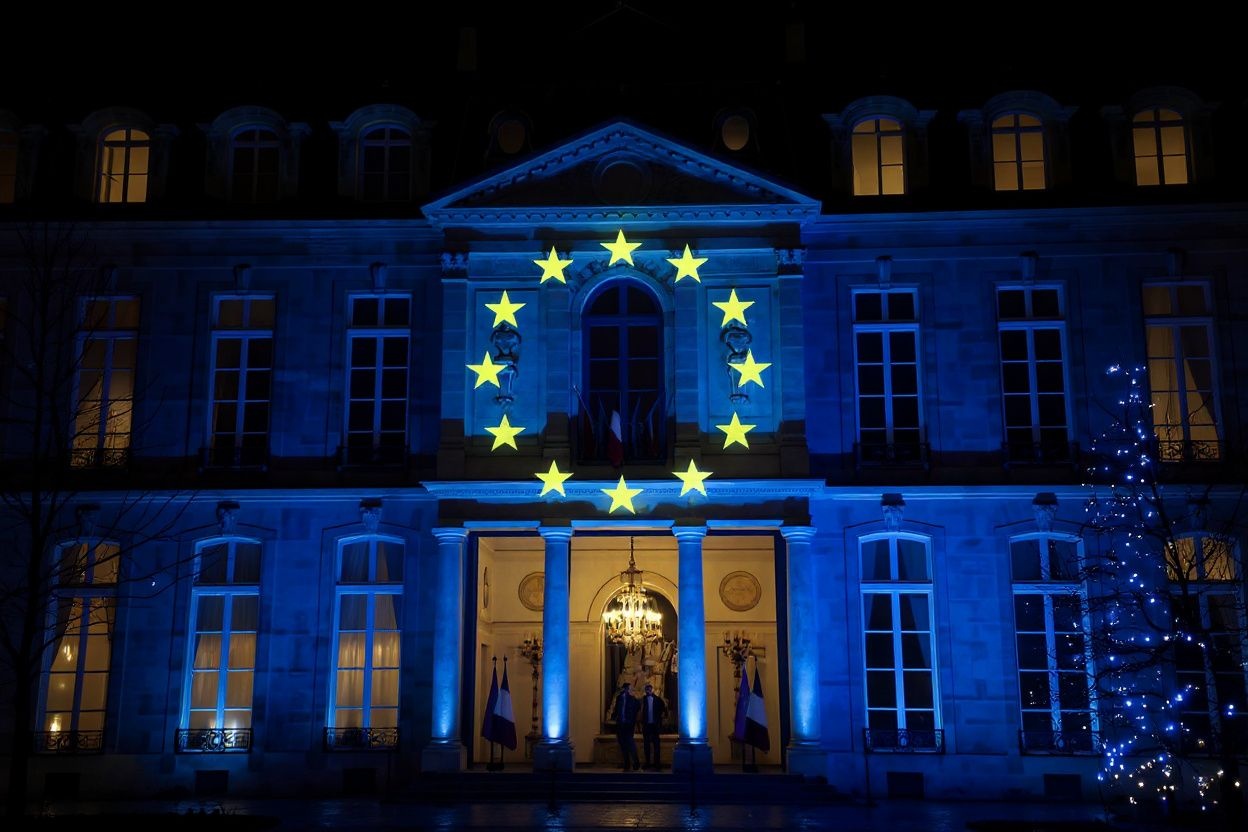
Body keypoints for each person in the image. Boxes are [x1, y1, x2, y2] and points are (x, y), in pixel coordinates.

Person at [610, 681, 641, 771]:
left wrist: (632, 718)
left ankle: (636, 763)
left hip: (628, 724)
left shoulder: (632, 699)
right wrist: (614, 716)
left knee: (630, 744)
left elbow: (637, 706)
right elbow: (616, 709)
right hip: (620, 724)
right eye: (630, 688)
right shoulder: (619, 698)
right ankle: (627, 764)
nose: (631, 690)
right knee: (623, 744)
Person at [639, 683, 668, 770]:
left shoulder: (658, 700)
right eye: (646, 690)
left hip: (655, 726)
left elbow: (664, 709)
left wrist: (661, 719)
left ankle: (657, 763)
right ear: (645, 691)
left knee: (656, 745)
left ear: (652, 690)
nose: (648, 691)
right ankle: (647, 763)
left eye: (649, 689)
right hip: (646, 726)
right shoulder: (643, 700)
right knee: (646, 745)